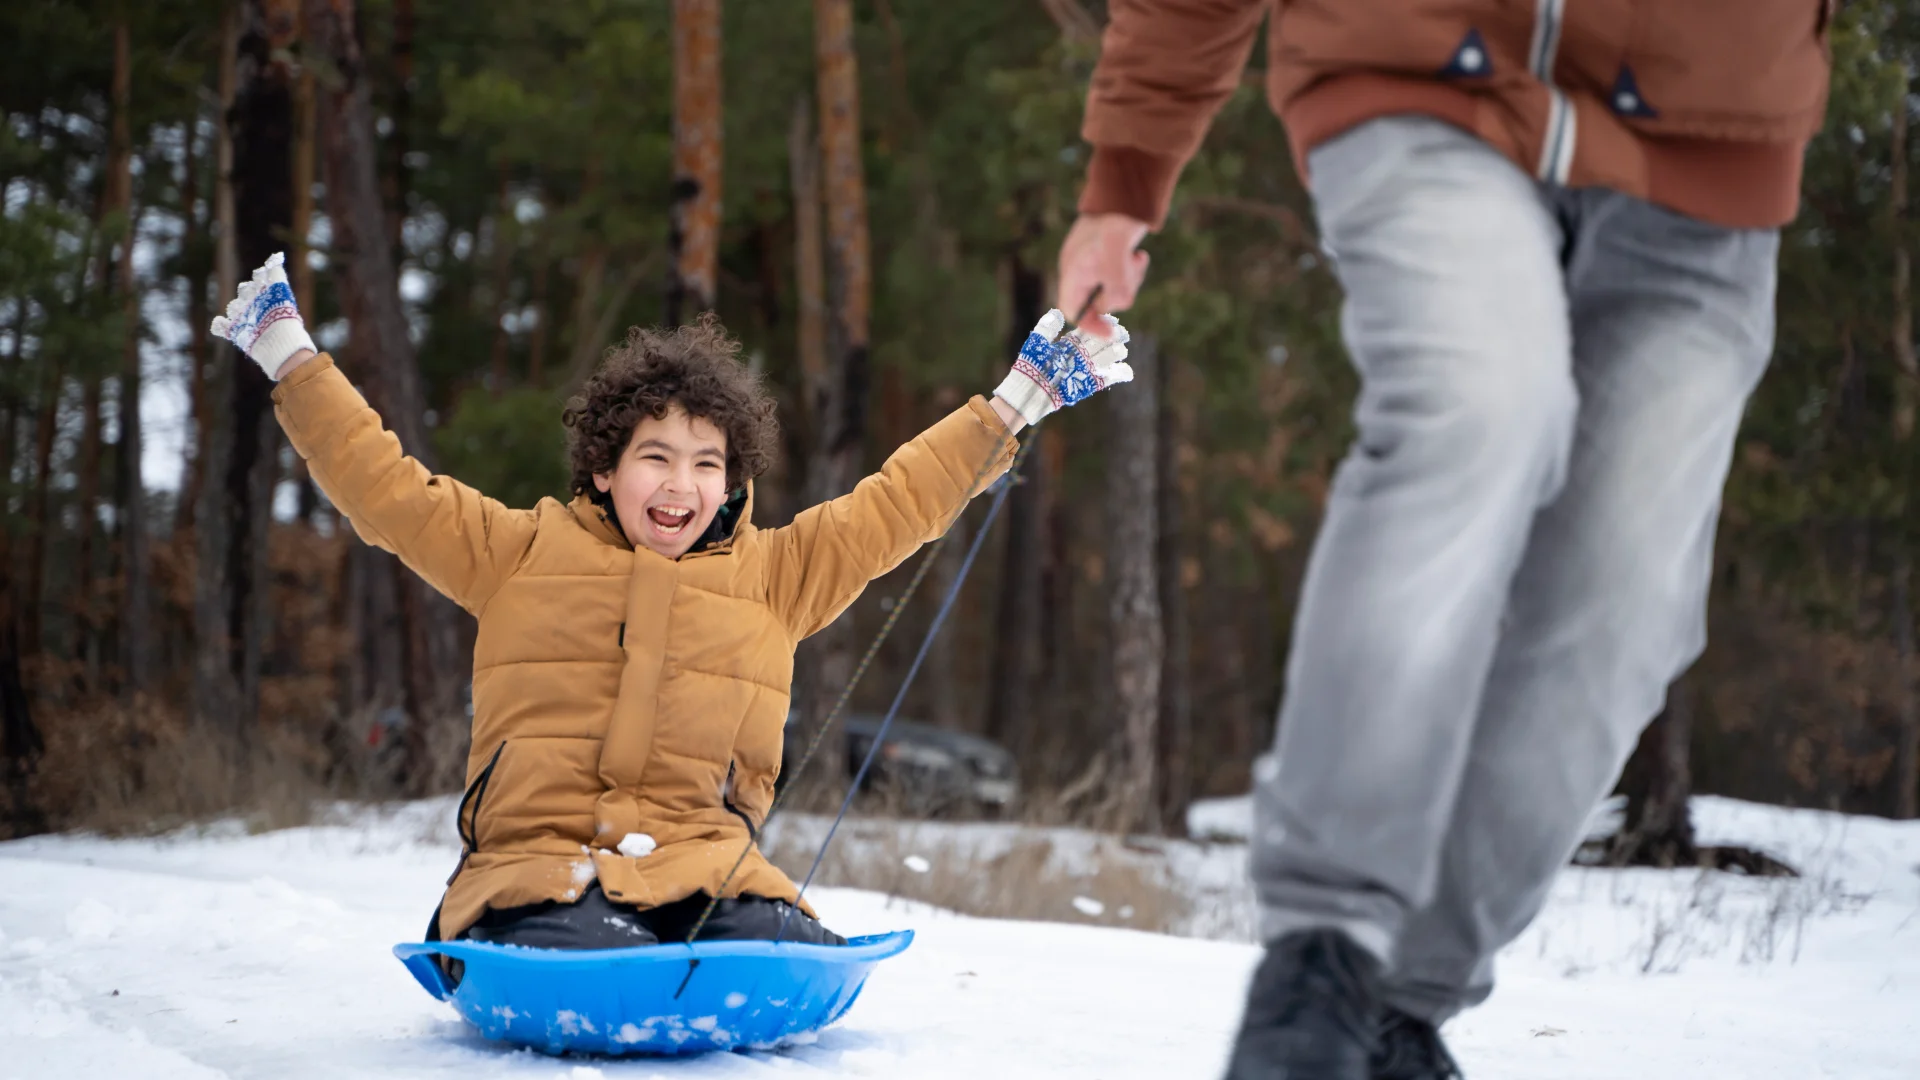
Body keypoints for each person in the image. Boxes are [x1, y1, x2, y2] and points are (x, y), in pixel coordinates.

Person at [1054, 3, 1834, 1077]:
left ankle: (1395, 1008)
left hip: (1709, 145)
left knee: (1627, 590)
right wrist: (1126, 178)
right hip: (1421, 67)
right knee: (1478, 408)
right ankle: (1320, 963)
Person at [209, 253, 1133, 958]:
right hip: (533, 866)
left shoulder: (777, 575)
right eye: (656, 456)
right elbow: (386, 489)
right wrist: (292, 358)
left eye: (706, 464)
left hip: (705, 865)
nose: (680, 484)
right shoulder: (518, 552)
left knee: (767, 933)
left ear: (730, 484)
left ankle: (737, 944)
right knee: (574, 930)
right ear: (606, 469)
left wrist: (1017, 402)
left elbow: (896, 502)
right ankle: (534, 946)